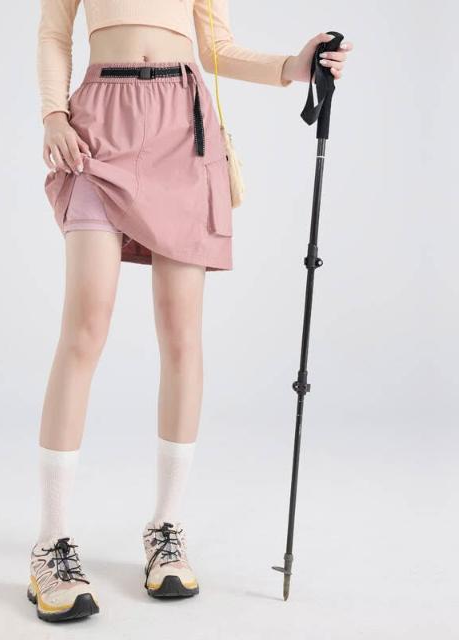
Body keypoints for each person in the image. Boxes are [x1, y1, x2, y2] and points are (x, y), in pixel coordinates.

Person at [29, 0, 353, 622]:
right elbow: (53, 32)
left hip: (183, 130)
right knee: (84, 329)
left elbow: (215, 48)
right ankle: (51, 543)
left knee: (182, 335)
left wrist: (292, 65)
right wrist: (52, 113)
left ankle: (166, 528)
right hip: (98, 127)